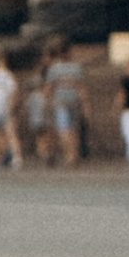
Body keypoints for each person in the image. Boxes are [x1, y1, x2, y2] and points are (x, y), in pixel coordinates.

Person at [40, 38, 86, 166]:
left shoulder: (54, 68)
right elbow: (81, 88)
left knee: (63, 129)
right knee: (73, 130)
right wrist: (85, 104)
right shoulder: (77, 68)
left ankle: (69, 155)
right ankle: (73, 155)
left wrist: (45, 102)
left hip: (60, 102)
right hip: (74, 101)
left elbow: (48, 88)